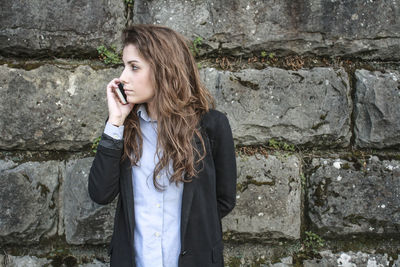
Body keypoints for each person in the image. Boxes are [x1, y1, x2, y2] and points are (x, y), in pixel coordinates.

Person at [88, 24, 237, 267]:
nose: (123, 78)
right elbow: (101, 194)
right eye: (124, 66)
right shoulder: (123, 127)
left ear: (163, 69)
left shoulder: (211, 126)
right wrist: (115, 122)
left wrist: (192, 235)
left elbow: (223, 200)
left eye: (134, 67)